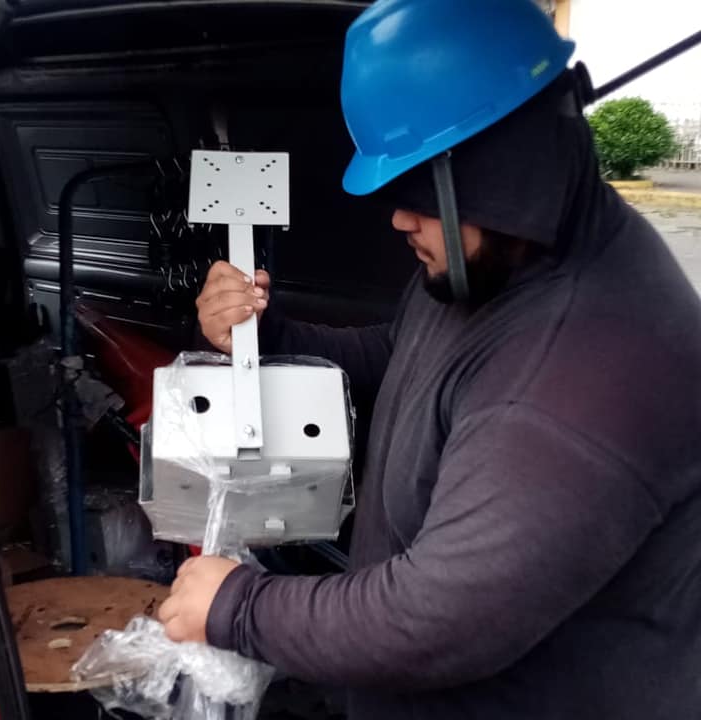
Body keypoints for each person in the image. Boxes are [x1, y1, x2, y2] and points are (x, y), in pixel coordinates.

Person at [156, 0, 701, 718]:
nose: (397, 216)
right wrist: (270, 332)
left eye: (417, 188)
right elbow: (404, 352)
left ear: (505, 169)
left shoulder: (586, 376)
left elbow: (436, 619)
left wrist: (239, 606)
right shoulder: (505, 260)